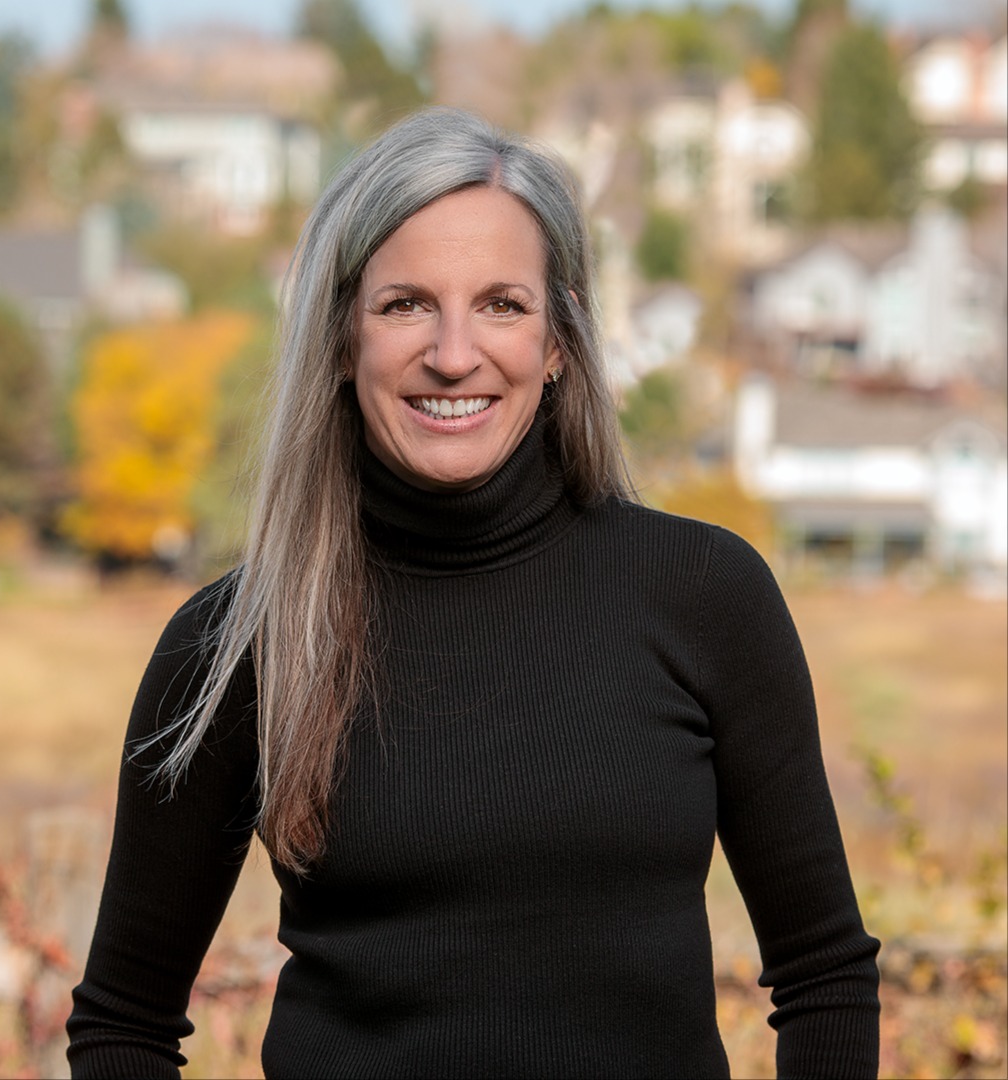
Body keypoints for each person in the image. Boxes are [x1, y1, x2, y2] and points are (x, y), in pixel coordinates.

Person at [67, 107, 880, 1079]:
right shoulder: (239, 642)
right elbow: (124, 1022)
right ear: (340, 337)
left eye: (501, 305)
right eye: (405, 304)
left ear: (559, 340)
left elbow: (825, 976)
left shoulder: (704, 595)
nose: (454, 354)